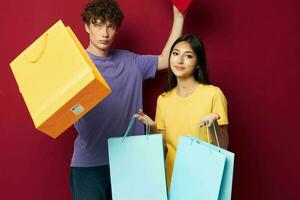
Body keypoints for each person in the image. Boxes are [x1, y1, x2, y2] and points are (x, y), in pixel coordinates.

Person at [70, 0, 185, 199]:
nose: (104, 33)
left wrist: (179, 17)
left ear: (116, 30)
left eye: (110, 26)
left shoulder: (130, 61)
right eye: (98, 25)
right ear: (86, 27)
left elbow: (167, 59)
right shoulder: (75, 67)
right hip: (89, 164)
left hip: (131, 160)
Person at [135, 34, 229, 189]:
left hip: (204, 180)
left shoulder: (213, 94)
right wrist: (152, 128)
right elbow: (163, 147)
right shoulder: (163, 99)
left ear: (198, 63)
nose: (179, 61)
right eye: (175, 53)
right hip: (172, 180)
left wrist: (213, 124)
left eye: (188, 56)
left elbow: (223, 146)